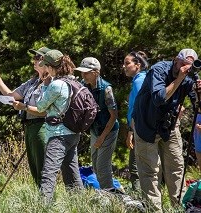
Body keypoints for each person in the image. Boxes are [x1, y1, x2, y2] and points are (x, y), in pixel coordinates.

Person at [132, 48, 198, 212]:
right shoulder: (159, 69)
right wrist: (180, 78)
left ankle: (181, 208)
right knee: (150, 171)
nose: (186, 68)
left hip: (168, 126)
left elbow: (198, 107)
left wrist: (199, 92)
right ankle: (154, 210)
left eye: (189, 65)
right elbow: (159, 98)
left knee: (176, 167)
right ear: (176, 60)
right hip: (146, 125)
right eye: (183, 63)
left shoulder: (190, 78)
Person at [0, 47, 50, 187]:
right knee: (34, 165)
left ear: (46, 62)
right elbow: (11, 95)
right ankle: (41, 197)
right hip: (29, 127)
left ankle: (47, 199)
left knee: (42, 166)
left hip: (42, 126)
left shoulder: (50, 83)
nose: (34, 60)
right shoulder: (32, 82)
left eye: (38, 58)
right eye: (34, 57)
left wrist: (25, 107)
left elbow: (45, 111)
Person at [36, 49, 84, 202]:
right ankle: (79, 203)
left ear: (51, 67)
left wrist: (45, 85)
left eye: (46, 66)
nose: (45, 69)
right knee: (71, 171)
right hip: (73, 133)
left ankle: (44, 206)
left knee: (48, 173)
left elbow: (40, 107)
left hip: (58, 134)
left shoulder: (56, 85)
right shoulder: (73, 81)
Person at [74, 57, 119, 190]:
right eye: (82, 72)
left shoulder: (106, 89)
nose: (83, 75)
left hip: (108, 130)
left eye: (86, 72)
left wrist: (101, 138)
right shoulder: (84, 85)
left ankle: (110, 194)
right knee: (95, 164)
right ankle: (105, 191)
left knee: (102, 166)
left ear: (96, 72)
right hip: (95, 130)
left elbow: (113, 116)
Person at [123, 51, 149, 190]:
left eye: (127, 63)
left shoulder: (139, 81)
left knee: (135, 167)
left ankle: (140, 199)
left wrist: (131, 131)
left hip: (138, 128)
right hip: (139, 127)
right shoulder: (140, 79)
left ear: (138, 65)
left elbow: (139, 108)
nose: (124, 66)